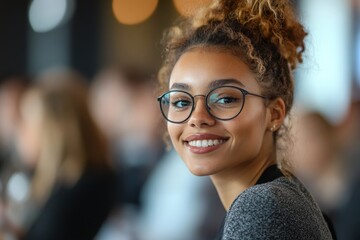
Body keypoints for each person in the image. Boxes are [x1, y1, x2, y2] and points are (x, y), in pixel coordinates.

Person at [156, 0, 334, 239]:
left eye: (225, 99)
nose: (197, 118)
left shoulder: (261, 207)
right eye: (181, 102)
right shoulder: (283, 197)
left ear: (275, 113)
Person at [13, 70, 117, 240]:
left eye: (26, 121)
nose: (20, 131)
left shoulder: (79, 190)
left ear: (53, 130)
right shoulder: (65, 182)